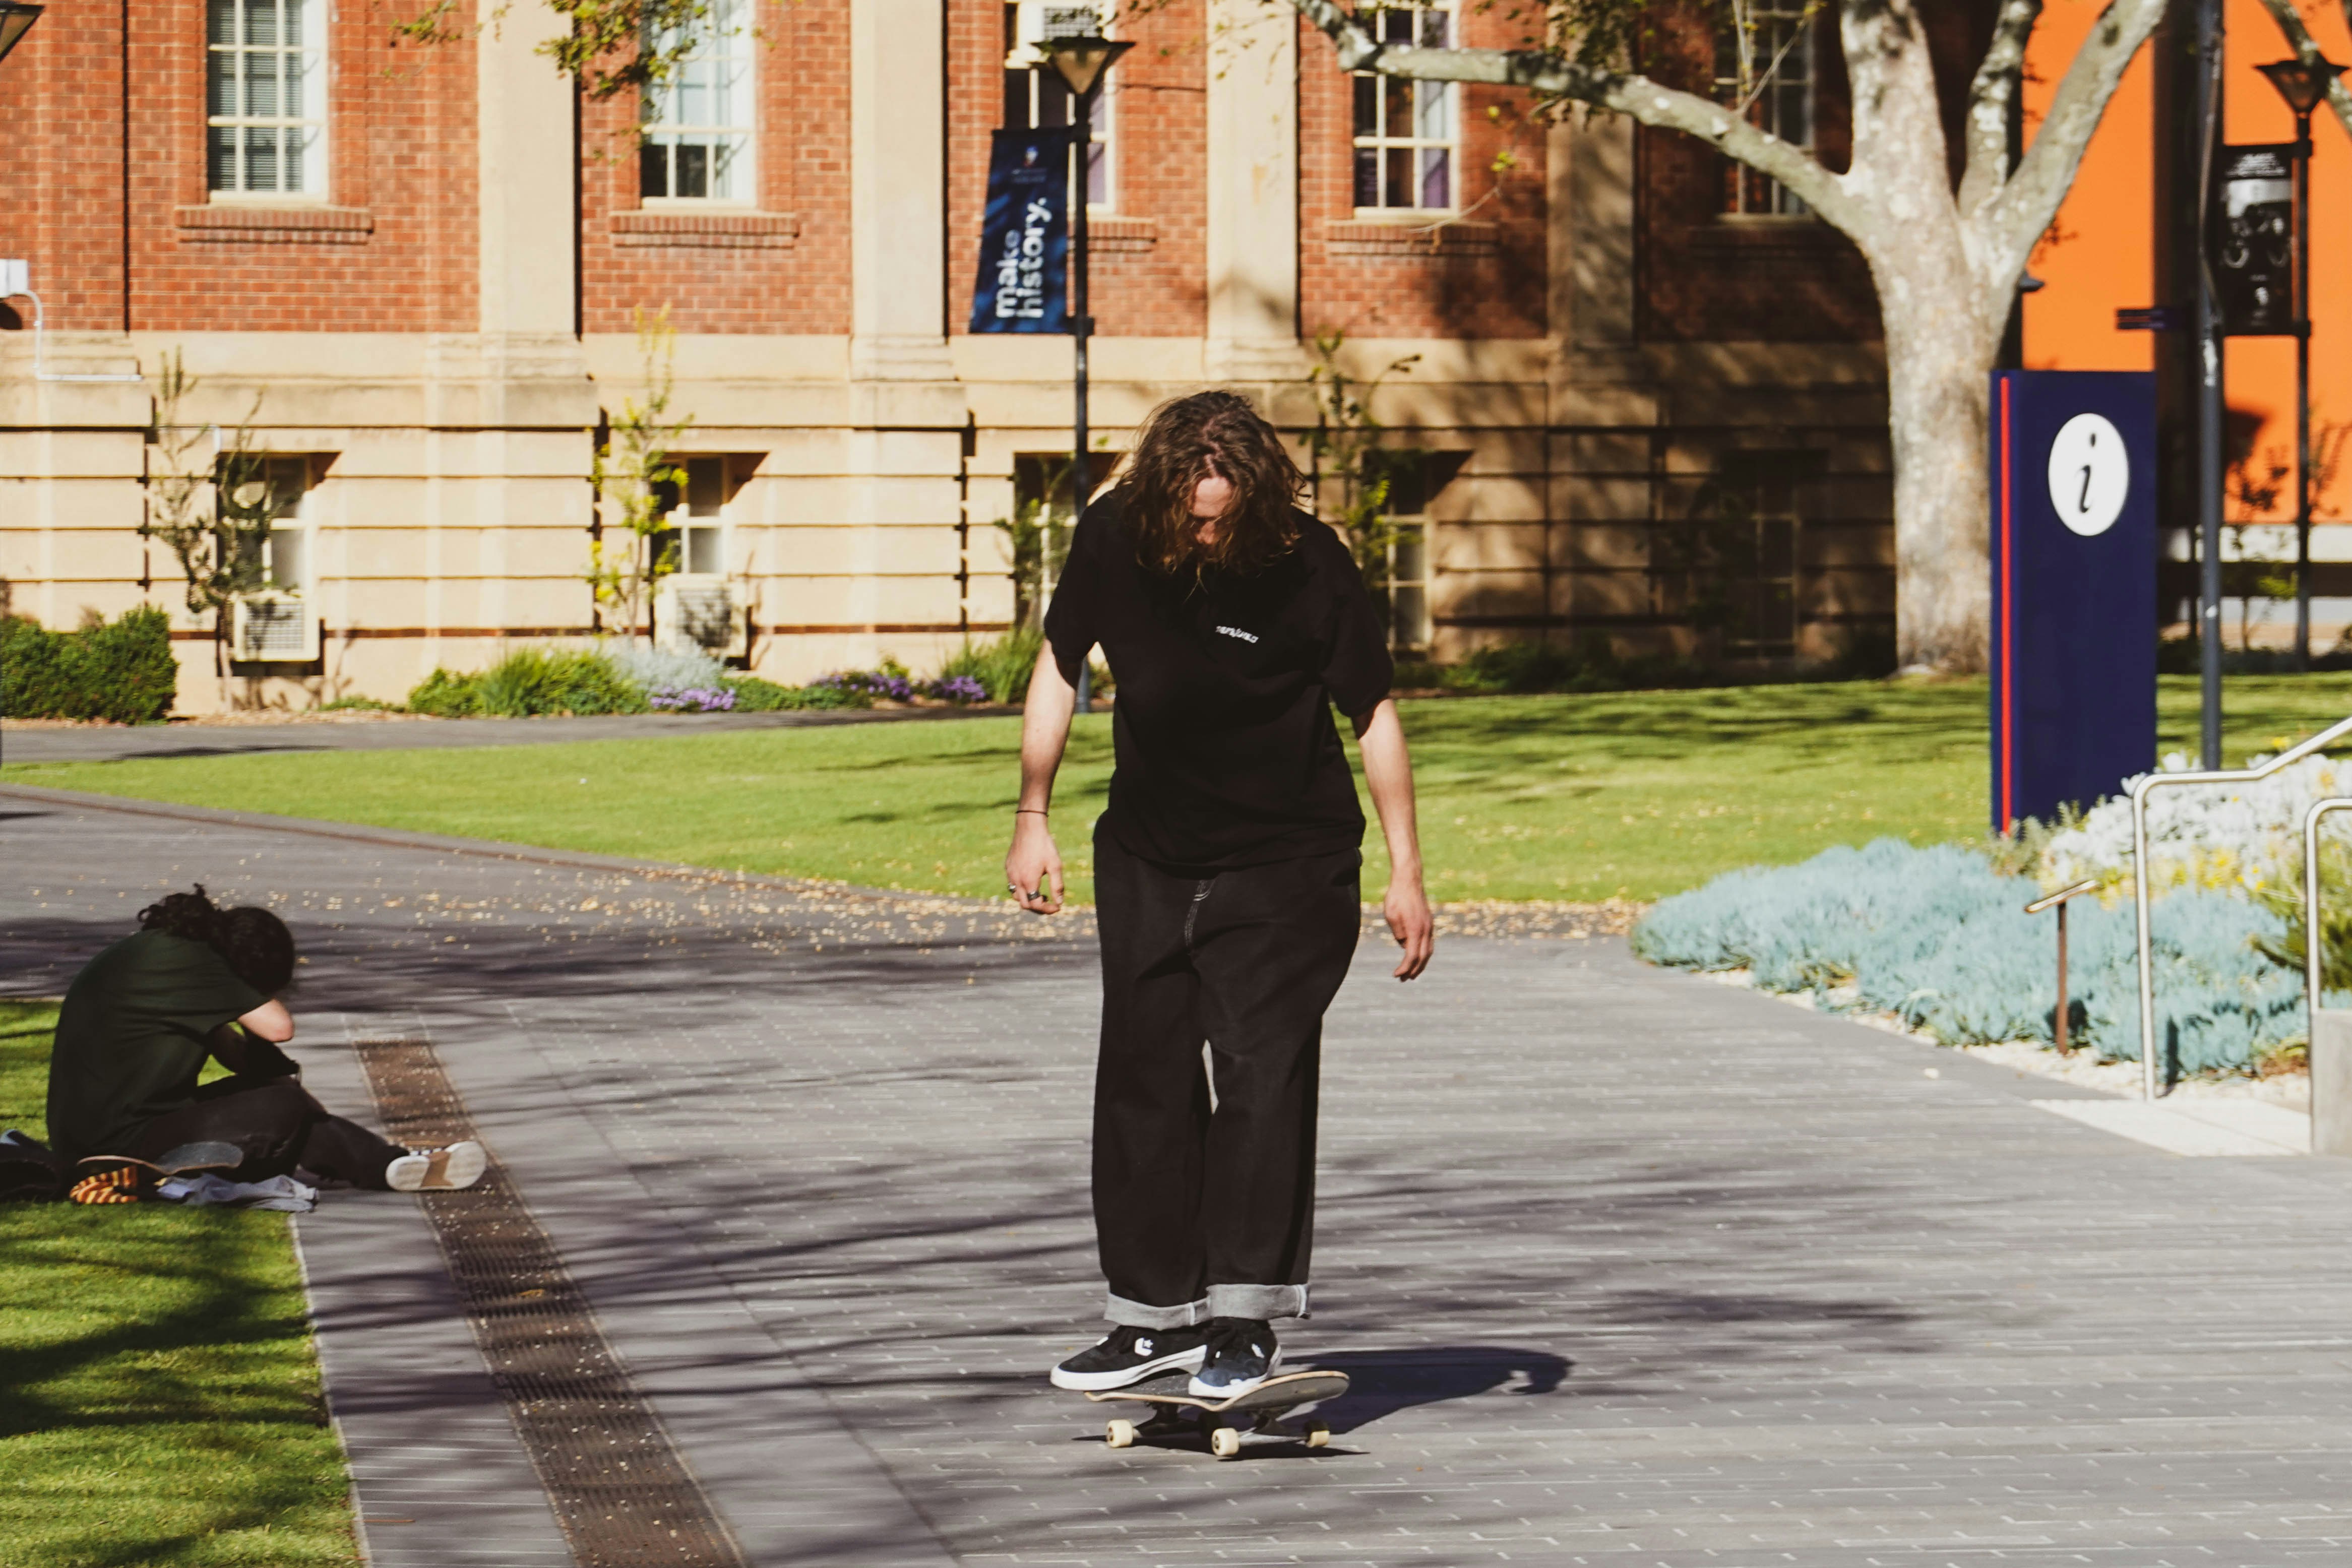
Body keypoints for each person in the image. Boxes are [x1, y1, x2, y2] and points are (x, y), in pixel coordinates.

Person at [1009, 390, 1435, 1398]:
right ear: (1161, 492)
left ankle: (1243, 1321)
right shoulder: (1112, 534)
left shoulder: (1309, 561)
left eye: (1224, 517)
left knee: (1258, 1072)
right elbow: (1060, 664)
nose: (1207, 534)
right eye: (1192, 516)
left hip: (1288, 859)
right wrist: (1032, 813)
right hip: (1148, 851)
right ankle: (1151, 1320)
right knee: (1143, 1076)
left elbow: (1372, 712)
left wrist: (1406, 868)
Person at [46, 886, 484, 1194]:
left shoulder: (169, 953)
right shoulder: (195, 962)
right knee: (283, 1106)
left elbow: (236, 1054)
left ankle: (391, 1165)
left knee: (280, 1104)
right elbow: (278, 1028)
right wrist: (293, 1095)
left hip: (97, 1134)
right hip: (114, 1148)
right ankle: (388, 1163)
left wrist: (285, 1089)